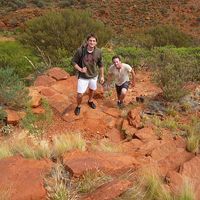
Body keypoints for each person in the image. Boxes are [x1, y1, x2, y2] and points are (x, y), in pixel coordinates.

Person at [72, 33, 104, 115]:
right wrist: (80, 69)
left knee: (92, 89)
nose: (92, 42)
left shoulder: (99, 52)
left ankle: (90, 101)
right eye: (90, 40)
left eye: (94, 41)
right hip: (83, 76)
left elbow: (101, 65)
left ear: (96, 43)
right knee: (80, 94)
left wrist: (102, 76)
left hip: (93, 76)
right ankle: (78, 106)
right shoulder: (81, 50)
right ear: (87, 41)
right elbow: (74, 62)